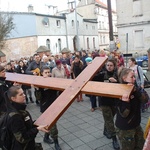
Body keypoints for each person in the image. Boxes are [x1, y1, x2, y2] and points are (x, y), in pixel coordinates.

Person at [4, 85, 49, 150]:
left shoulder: (20, 109)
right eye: (21, 94)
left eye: (23, 93)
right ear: (13, 98)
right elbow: (23, 138)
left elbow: (27, 126)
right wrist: (37, 129)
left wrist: (37, 124)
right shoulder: (15, 116)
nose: (24, 95)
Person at [116, 67, 145, 150]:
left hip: (136, 124)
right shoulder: (119, 91)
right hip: (125, 128)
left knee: (141, 145)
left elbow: (145, 100)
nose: (134, 79)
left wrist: (136, 91)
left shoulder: (135, 88)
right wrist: (126, 102)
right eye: (132, 77)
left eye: (134, 77)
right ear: (124, 78)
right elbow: (124, 114)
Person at [39, 66, 62, 150]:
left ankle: (45, 137)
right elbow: (38, 98)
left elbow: (58, 93)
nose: (48, 74)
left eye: (49, 72)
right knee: (53, 126)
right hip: (46, 108)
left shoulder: (53, 81)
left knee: (49, 125)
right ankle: (56, 142)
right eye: (46, 72)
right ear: (42, 74)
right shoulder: (40, 83)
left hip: (54, 106)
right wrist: (37, 89)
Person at [99, 59, 120, 150]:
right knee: (109, 120)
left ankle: (105, 131)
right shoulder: (102, 74)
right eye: (107, 65)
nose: (109, 67)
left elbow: (123, 85)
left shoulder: (117, 75)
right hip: (104, 101)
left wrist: (116, 82)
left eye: (111, 65)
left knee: (110, 117)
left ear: (114, 66)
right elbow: (91, 79)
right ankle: (114, 139)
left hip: (114, 101)